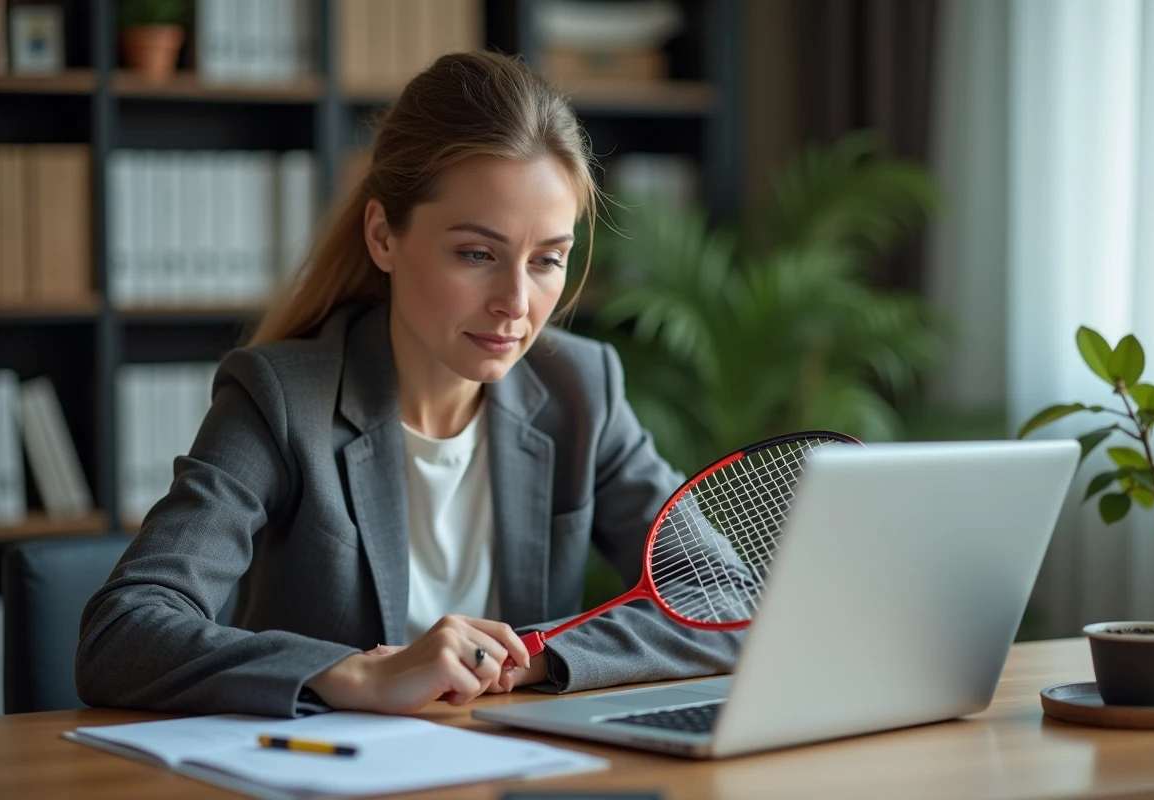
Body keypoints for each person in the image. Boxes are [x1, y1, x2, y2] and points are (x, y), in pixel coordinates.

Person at [76, 51, 740, 719]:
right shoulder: (281, 400)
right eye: (477, 254)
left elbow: (728, 599)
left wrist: (532, 657)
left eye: (547, 260)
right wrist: (353, 675)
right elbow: (123, 630)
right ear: (383, 236)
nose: (515, 302)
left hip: (511, 771)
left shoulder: (580, 389)